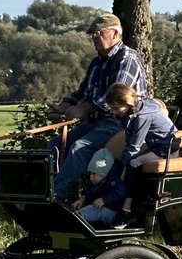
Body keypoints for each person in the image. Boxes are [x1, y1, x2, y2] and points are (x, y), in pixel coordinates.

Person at [47, 12, 147, 198]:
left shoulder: (127, 58)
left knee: (80, 147)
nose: (94, 37)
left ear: (115, 34)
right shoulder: (97, 62)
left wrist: (82, 109)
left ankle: (55, 196)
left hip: (121, 122)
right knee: (54, 145)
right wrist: (63, 106)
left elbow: (115, 98)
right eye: (92, 33)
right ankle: (43, 190)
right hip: (97, 122)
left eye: (99, 33)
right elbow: (82, 92)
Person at [102, 82, 177, 226]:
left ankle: (127, 210)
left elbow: (135, 145)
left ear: (127, 103)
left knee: (133, 163)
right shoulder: (133, 111)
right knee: (123, 163)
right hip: (155, 146)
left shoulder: (143, 116)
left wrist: (124, 168)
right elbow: (129, 141)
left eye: (116, 108)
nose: (114, 112)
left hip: (167, 148)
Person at [72, 148, 126, 227]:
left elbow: (120, 192)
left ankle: (79, 217)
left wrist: (104, 200)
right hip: (99, 208)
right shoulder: (96, 182)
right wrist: (82, 199)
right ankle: (77, 216)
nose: (91, 177)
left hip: (113, 212)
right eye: (90, 174)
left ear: (103, 174)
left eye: (94, 174)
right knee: (93, 209)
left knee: (97, 211)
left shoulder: (114, 181)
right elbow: (90, 192)